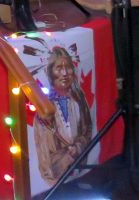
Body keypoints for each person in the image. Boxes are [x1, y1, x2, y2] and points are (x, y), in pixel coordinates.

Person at [34, 46, 93, 185]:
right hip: (56, 180)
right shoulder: (45, 107)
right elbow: (43, 152)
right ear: (50, 72)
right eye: (59, 68)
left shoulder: (79, 99)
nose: (65, 73)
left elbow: (87, 130)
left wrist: (78, 147)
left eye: (68, 67)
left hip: (79, 170)